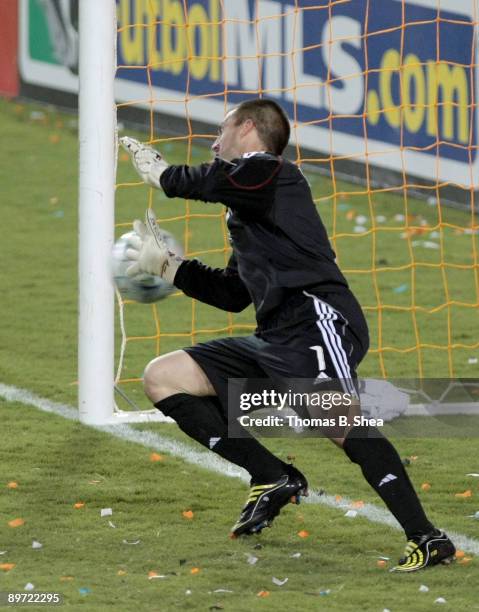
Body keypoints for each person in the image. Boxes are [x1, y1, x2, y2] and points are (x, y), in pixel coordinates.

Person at [119, 98, 455, 572]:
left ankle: (427, 537)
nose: (215, 143)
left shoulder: (272, 171)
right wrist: (171, 269)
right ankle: (271, 475)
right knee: (163, 376)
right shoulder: (249, 207)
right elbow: (235, 293)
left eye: (222, 130)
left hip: (317, 319)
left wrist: (165, 177)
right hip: (274, 335)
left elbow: (216, 180)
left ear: (250, 128)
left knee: (342, 424)